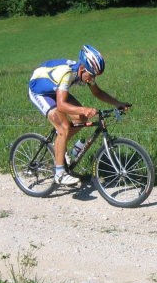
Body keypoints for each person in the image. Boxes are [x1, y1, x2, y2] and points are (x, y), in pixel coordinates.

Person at [28, 45, 130, 186]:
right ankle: (59, 174)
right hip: (39, 90)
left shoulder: (87, 72)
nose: (91, 79)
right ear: (82, 69)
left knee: (81, 118)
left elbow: (97, 92)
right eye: (91, 75)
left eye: (95, 76)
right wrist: (83, 109)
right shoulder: (68, 74)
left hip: (55, 88)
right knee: (64, 128)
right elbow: (61, 104)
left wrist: (117, 103)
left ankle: (59, 148)